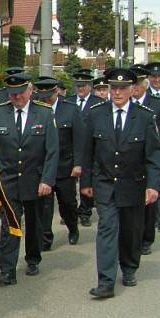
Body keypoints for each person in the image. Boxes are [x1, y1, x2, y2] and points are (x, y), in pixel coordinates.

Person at [81, 68, 160, 298]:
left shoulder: (144, 116)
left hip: (133, 184)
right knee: (107, 228)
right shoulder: (96, 114)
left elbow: (154, 156)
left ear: (132, 90)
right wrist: (85, 182)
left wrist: (153, 185)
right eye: (113, 88)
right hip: (105, 183)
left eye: (122, 88)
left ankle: (129, 267)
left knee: (130, 230)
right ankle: (106, 281)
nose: (117, 93)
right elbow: (88, 152)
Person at [0, 72, 58, 285]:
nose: (16, 98)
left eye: (19, 93)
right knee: (10, 225)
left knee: (35, 224)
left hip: (35, 180)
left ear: (30, 90)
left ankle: (33, 258)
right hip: (8, 180)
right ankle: (7, 270)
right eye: (11, 94)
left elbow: (52, 151)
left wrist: (47, 180)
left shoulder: (44, 114)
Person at [34, 77, 83, 249]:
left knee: (68, 203)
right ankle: (46, 238)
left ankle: (73, 227)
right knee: (44, 206)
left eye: (49, 95)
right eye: (42, 96)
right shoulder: (36, 109)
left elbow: (78, 139)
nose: (45, 99)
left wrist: (78, 163)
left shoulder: (70, 109)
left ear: (56, 92)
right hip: (44, 167)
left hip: (65, 166)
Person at [129, 65, 160, 255]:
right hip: (127, 161)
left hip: (149, 161)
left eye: (138, 84)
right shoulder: (122, 103)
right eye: (132, 84)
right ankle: (130, 236)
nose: (135, 88)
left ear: (145, 84)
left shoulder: (158, 104)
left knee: (149, 201)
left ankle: (146, 237)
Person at [69, 70, 104, 227]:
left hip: (90, 147)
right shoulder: (68, 102)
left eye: (83, 86)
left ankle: (85, 211)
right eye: (78, 85)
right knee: (68, 184)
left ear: (90, 86)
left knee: (86, 180)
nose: (80, 89)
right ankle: (69, 210)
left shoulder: (98, 102)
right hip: (70, 148)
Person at [144, 62, 160, 234]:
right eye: (153, 76)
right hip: (147, 147)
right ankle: (150, 220)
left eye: (159, 76)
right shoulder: (143, 96)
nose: (156, 79)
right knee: (151, 182)